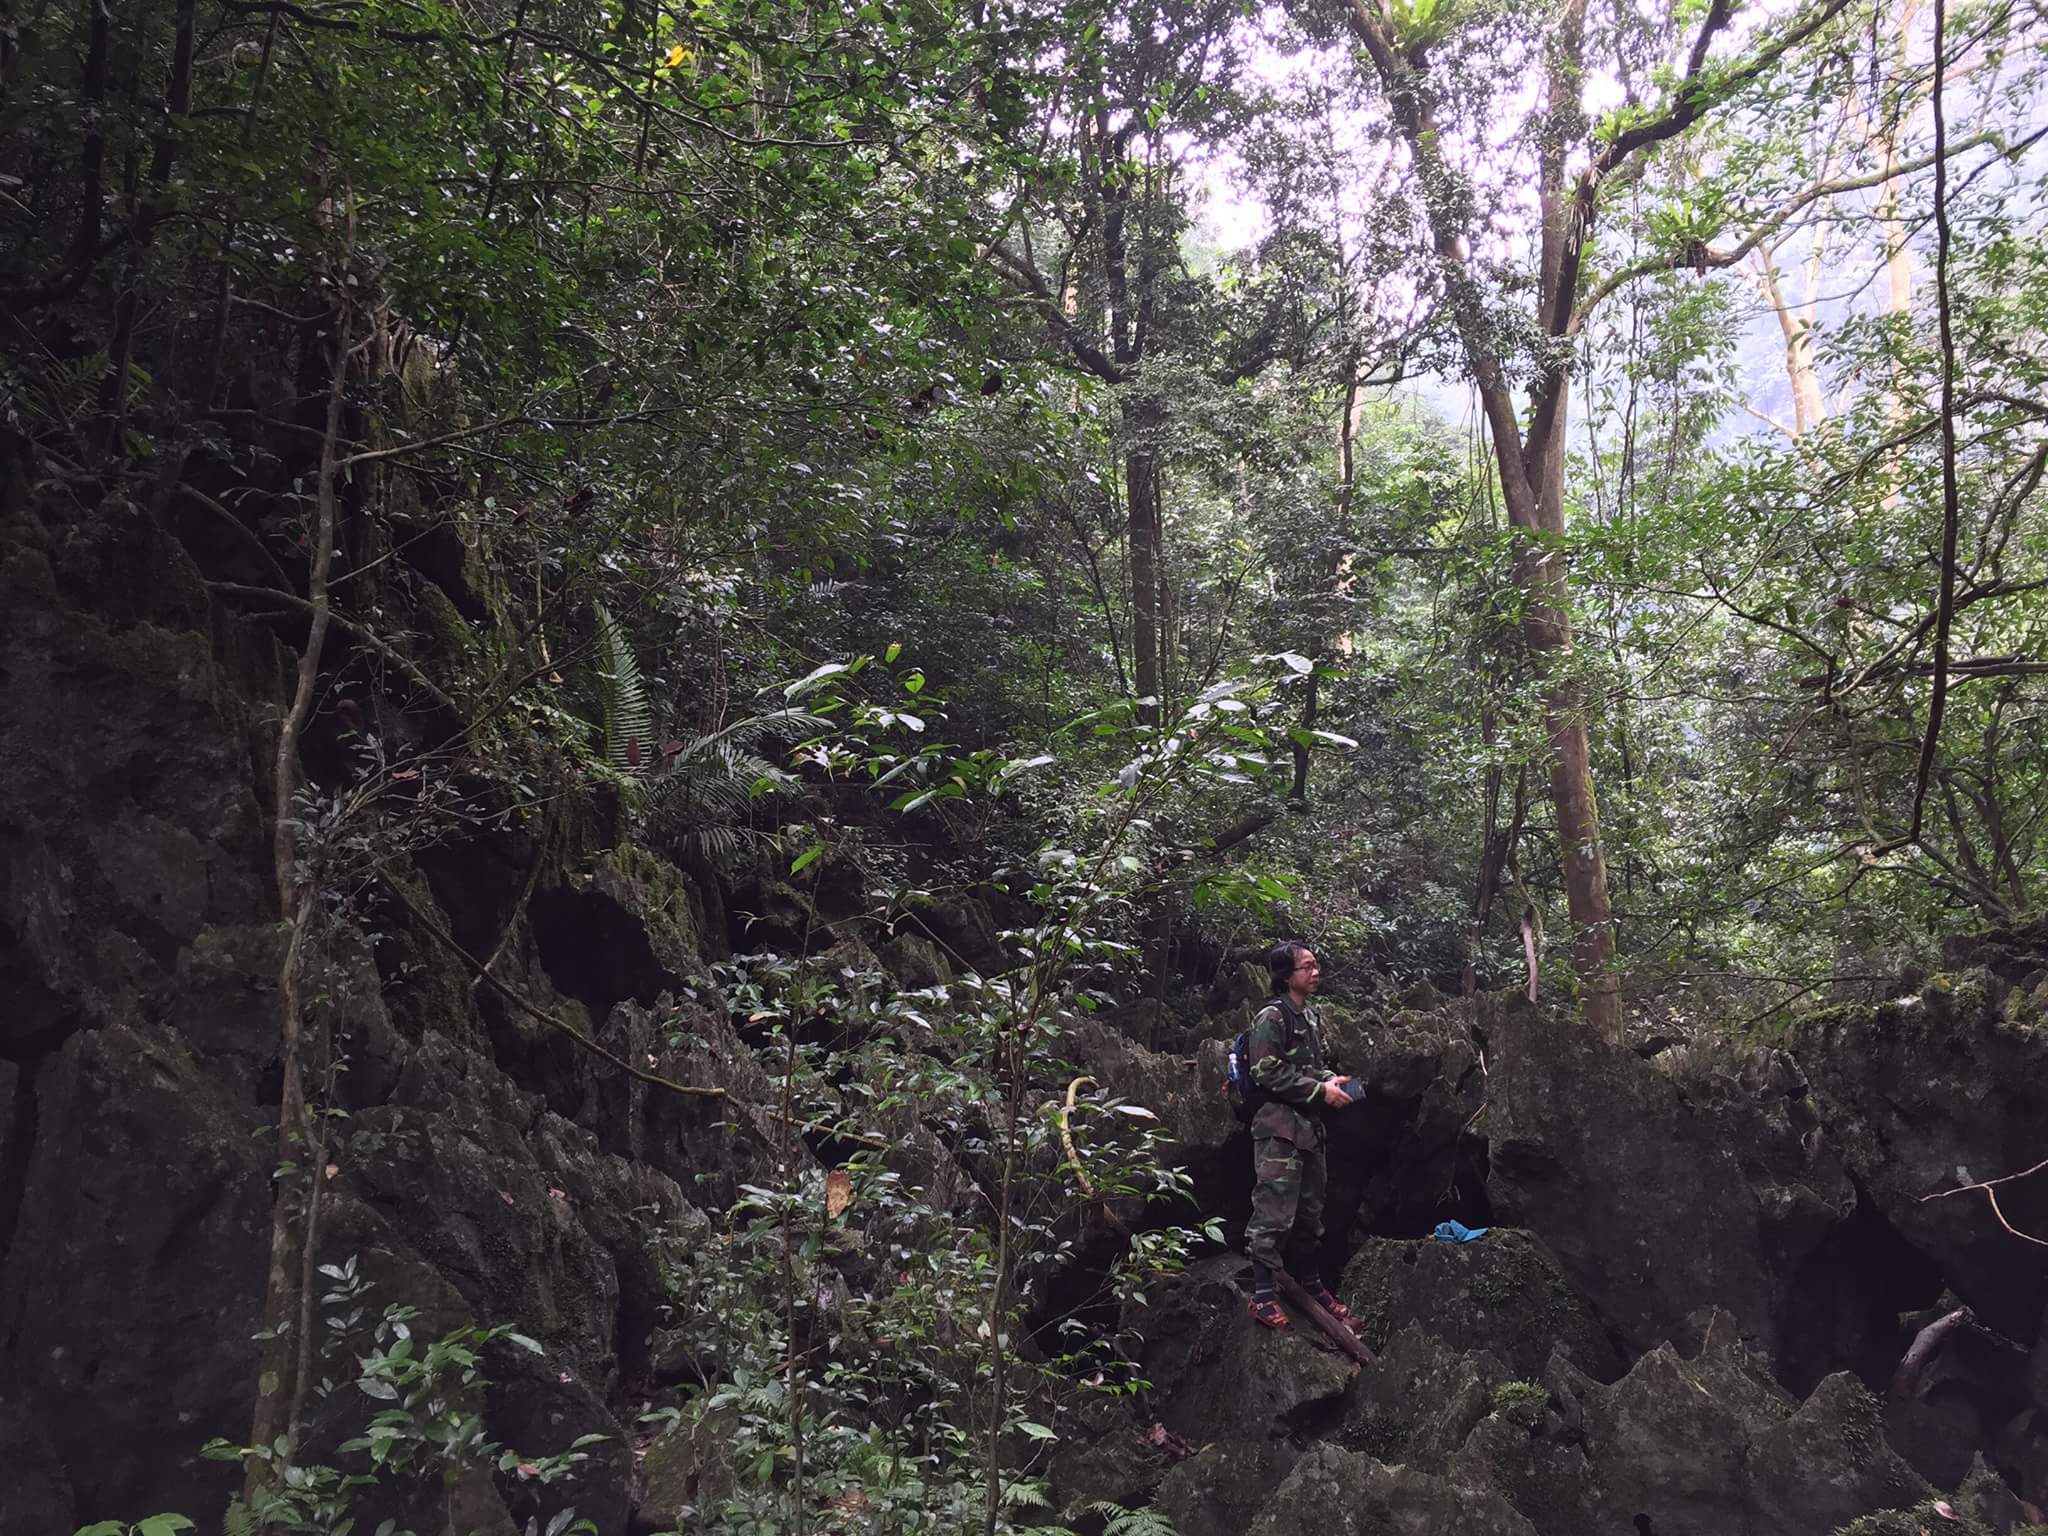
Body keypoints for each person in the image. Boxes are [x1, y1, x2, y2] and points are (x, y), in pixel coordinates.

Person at [1245, 941, 1358, 1329]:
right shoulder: (1271, 1018)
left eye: (1315, 965)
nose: (1315, 972)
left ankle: (1311, 1284)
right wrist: (1318, 1091)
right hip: (1278, 1128)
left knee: (1310, 1214)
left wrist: (1330, 1080)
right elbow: (1265, 1071)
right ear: (1285, 975)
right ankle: (1262, 1296)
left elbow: (1314, 1065)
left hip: (1310, 1130)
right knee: (1273, 1212)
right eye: (1307, 967)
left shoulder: (1308, 1017)